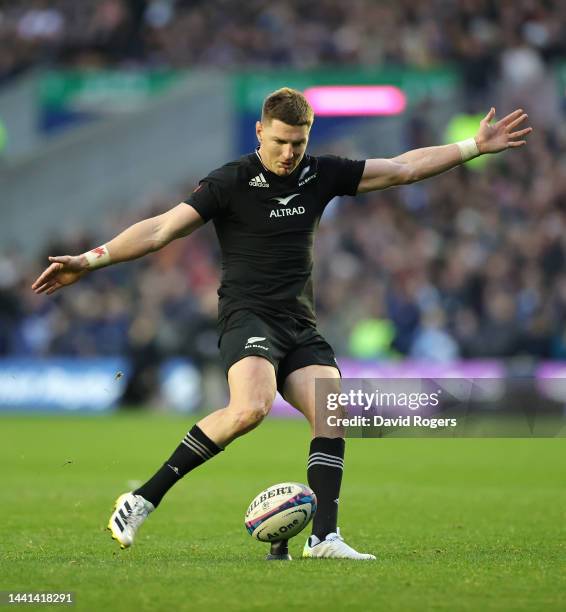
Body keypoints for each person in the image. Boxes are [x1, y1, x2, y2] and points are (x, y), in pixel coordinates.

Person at [31, 88, 531, 559]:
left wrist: (470, 147)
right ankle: (140, 499)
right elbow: (161, 229)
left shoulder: (322, 173)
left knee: (332, 411)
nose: (289, 153)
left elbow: (401, 169)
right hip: (246, 316)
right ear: (259, 132)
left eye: (298, 142)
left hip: (298, 322)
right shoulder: (229, 182)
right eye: (280, 142)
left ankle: (324, 538)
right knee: (251, 409)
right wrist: (91, 260)